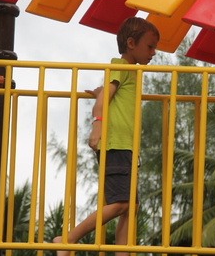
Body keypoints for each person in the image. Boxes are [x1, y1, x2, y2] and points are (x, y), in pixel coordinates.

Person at [53, 17, 160, 256]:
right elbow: (102, 103)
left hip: (127, 147)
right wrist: (97, 126)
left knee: (130, 207)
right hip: (116, 145)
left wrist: (102, 92)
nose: (154, 53)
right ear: (131, 43)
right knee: (120, 203)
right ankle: (67, 240)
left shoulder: (129, 72)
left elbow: (110, 94)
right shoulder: (120, 66)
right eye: (150, 46)